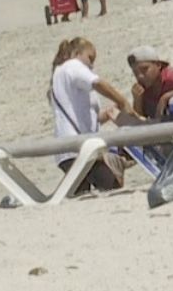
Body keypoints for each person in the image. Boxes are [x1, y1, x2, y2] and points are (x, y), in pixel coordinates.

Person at [50, 37, 137, 192]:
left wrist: (108, 113)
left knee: (82, 192)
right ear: (77, 53)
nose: (92, 64)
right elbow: (98, 83)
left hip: (68, 149)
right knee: (112, 185)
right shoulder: (72, 66)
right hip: (79, 148)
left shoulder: (61, 75)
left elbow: (81, 116)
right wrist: (123, 101)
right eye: (90, 58)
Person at [126, 46, 173, 122]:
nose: (140, 76)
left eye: (144, 69)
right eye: (135, 72)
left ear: (158, 65)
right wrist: (137, 100)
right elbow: (138, 122)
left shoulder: (172, 78)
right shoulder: (142, 90)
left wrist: (166, 97)